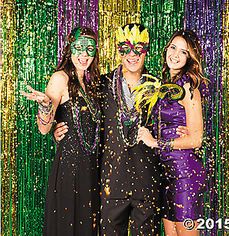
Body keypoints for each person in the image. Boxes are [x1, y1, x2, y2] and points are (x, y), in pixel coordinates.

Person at [54, 23, 188, 235]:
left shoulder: (158, 86)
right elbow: (83, 117)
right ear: (118, 50)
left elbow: (172, 120)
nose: (132, 55)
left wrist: (181, 130)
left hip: (147, 182)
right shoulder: (100, 85)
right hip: (111, 183)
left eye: (138, 48)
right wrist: (57, 127)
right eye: (125, 48)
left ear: (146, 50)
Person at [21, 26, 101, 236]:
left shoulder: (91, 82)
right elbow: (43, 128)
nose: (84, 55)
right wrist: (46, 106)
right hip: (70, 169)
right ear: (69, 49)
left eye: (89, 49)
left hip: (92, 170)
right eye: (78, 48)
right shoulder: (60, 78)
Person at [137, 29, 208, 236]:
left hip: (185, 174)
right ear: (166, 49)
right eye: (173, 47)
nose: (176, 55)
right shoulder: (164, 85)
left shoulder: (188, 86)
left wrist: (156, 142)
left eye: (184, 52)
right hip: (166, 174)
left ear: (190, 58)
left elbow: (196, 139)